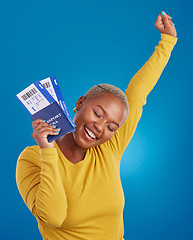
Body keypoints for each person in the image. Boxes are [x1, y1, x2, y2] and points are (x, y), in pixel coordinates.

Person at [16, 11, 177, 240]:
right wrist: (48, 150)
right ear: (79, 103)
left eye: (112, 127)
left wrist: (168, 41)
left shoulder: (108, 149)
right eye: (97, 113)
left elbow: (138, 92)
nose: (101, 127)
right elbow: (53, 217)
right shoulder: (31, 159)